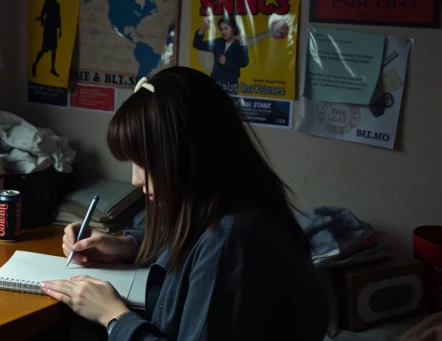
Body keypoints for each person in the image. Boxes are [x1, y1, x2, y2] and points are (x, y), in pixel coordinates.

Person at [39, 67, 328, 340]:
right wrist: (128, 246)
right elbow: (193, 251)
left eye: (145, 162)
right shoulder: (232, 208)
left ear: (189, 158)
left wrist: (114, 317)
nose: (135, 179)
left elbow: (208, 256)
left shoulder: (231, 239)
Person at [192, 15, 249, 93]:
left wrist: (226, 62)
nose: (223, 32)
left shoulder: (239, 44)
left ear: (233, 29)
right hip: (215, 84)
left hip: (230, 86)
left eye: (226, 28)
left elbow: (244, 62)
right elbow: (197, 44)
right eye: (221, 29)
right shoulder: (218, 42)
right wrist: (204, 27)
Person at [32, 0, 62, 78]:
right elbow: (43, 13)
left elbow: (58, 17)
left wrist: (60, 29)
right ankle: (35, 64)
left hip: (53, 28)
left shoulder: (57, 4)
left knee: (54, 49)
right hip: (48, 28)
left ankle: (52, 68)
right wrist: (42, 22)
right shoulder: (47, 3)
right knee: (44, 49)